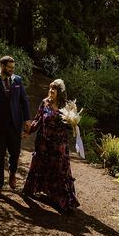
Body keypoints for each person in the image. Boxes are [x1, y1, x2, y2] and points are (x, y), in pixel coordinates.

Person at [22, 79, 80, 212]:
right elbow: (38, 119)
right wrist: (28, 131)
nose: (51, 91)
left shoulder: (67, 106)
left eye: (54, 89)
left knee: (59, 170)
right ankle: (32, 189)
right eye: (50, 88)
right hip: (43, 141)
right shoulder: (45, 103)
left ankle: (63, 200)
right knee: (40, 164)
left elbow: (72, 126)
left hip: (59, 144)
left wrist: (73, 123)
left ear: (60, 92)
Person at [0, 55, 31, 199]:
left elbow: (24, 101)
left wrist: (27, 119)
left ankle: (12, 173)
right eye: (9, 67)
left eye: (13, 67)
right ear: (2, 66)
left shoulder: (18, 80)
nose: (12, 70)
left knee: (15, 153)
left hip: (15, 125)